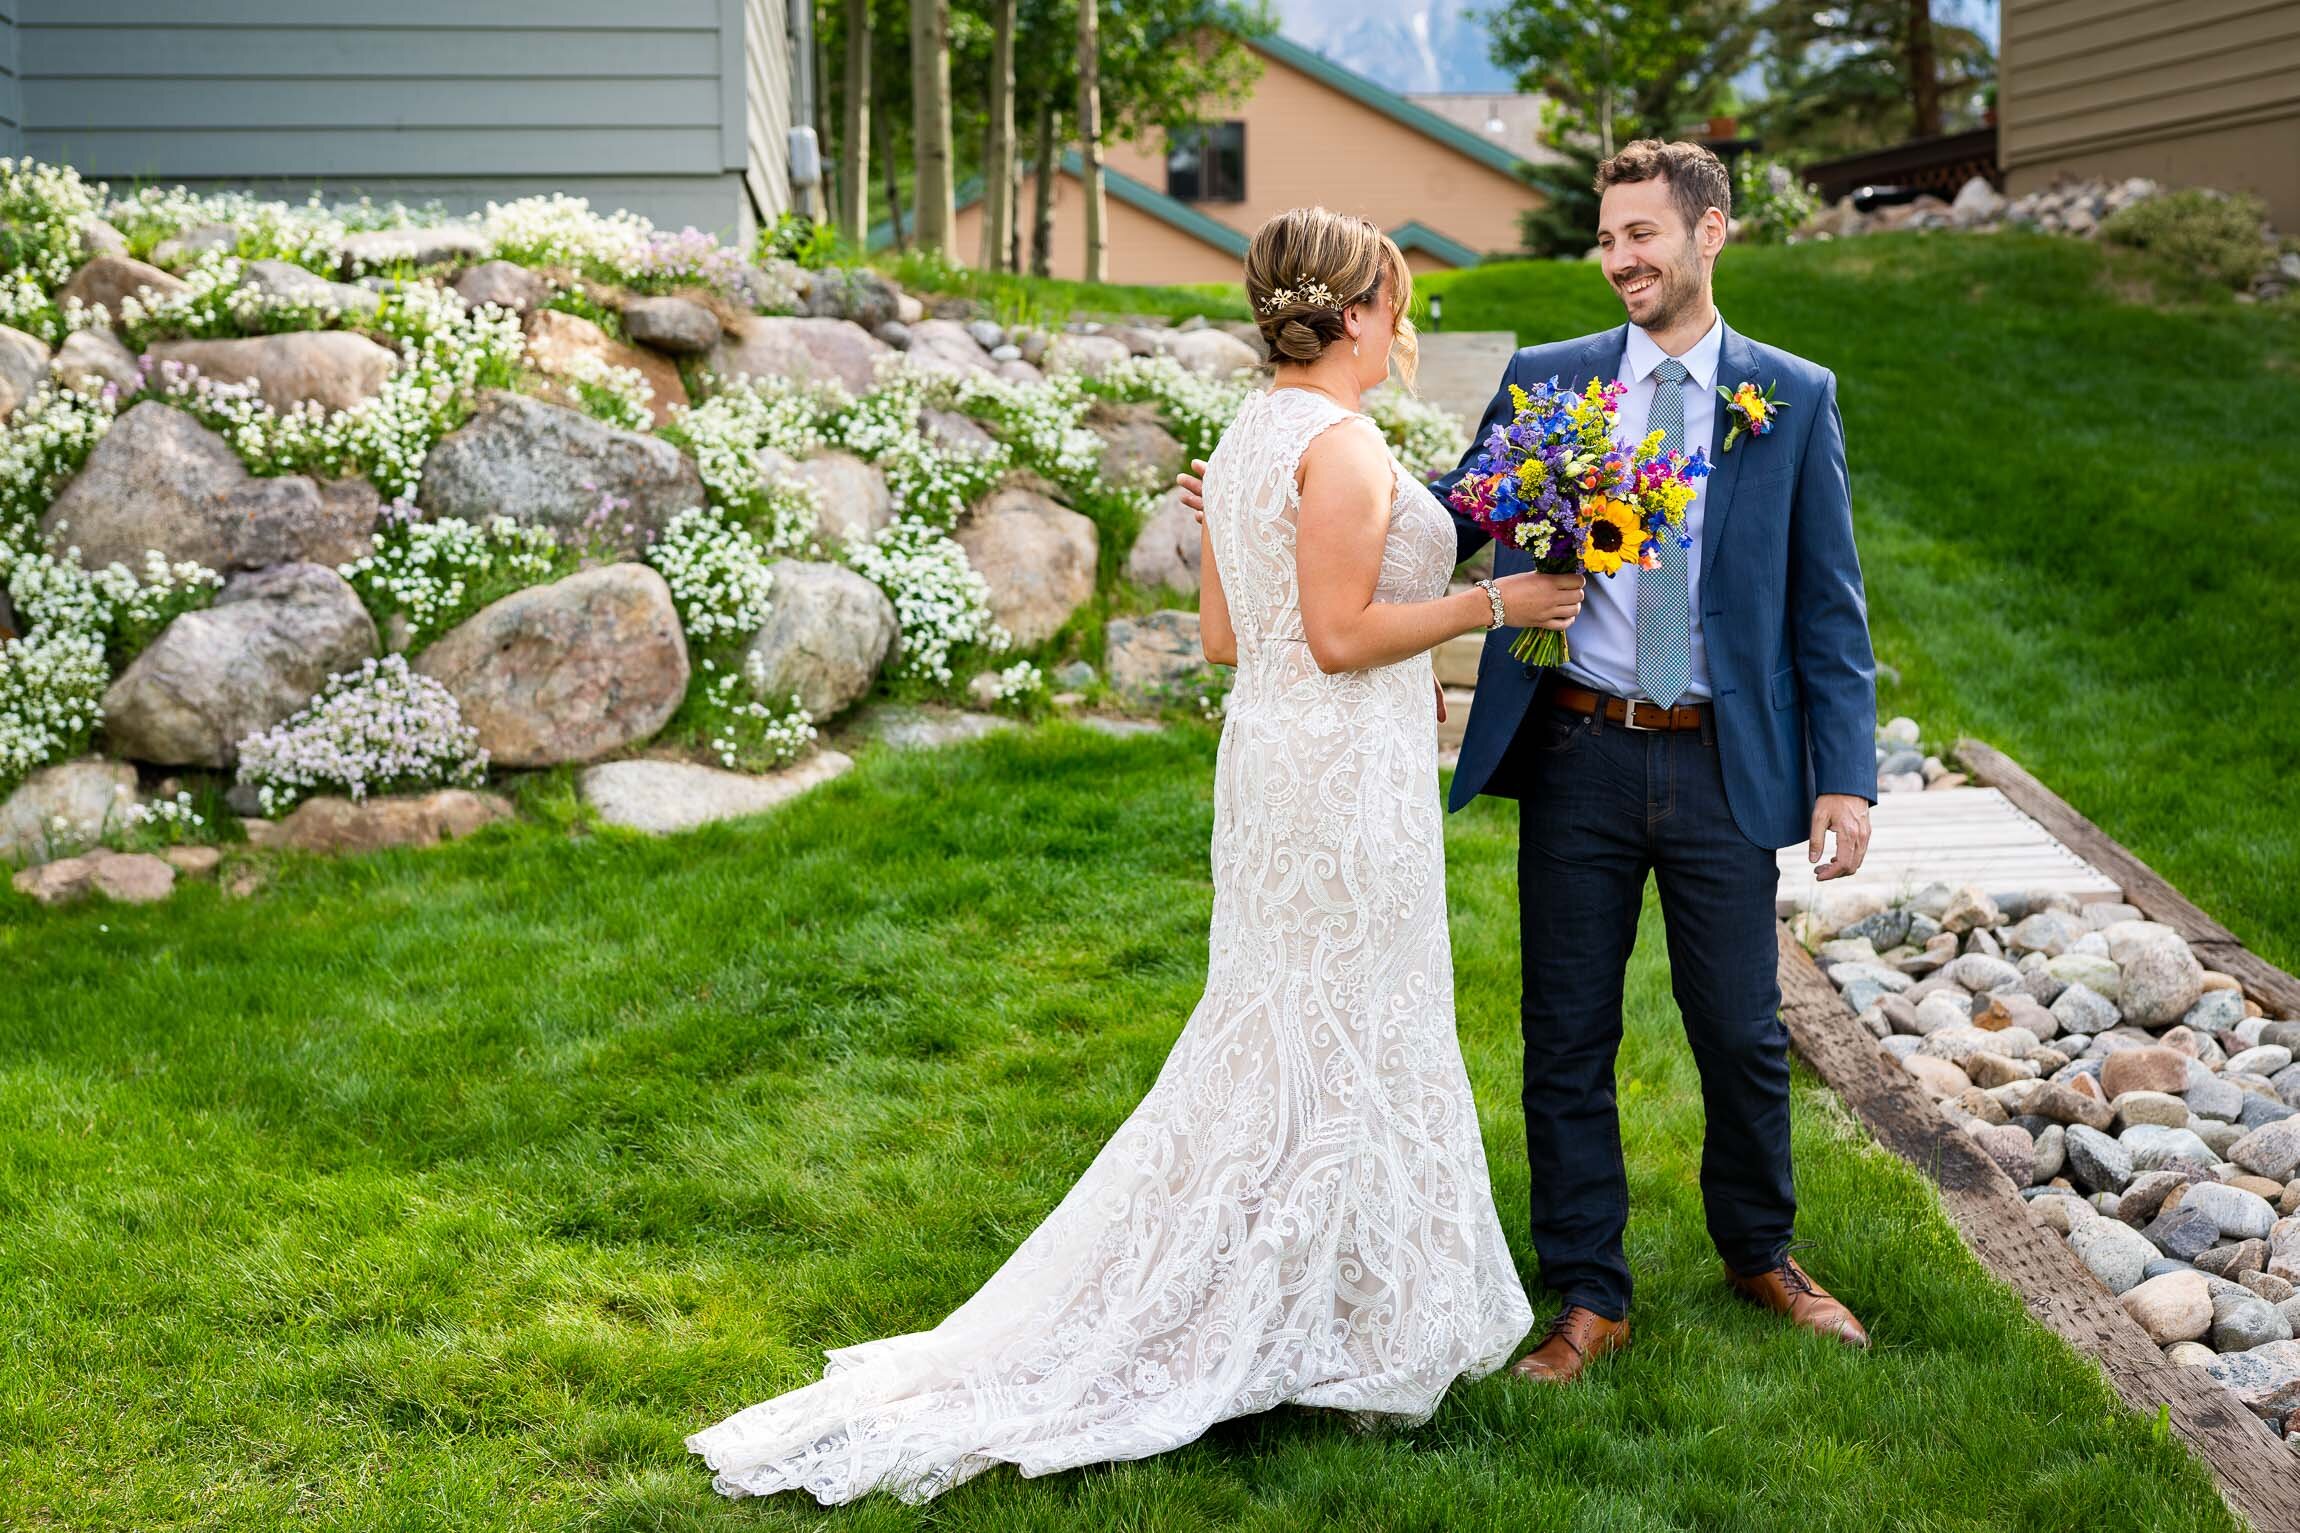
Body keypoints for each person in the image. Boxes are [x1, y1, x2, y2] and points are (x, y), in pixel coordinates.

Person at [687, 207, 1583, 1505]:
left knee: (1304, 1029)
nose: (1404, 331)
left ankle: (1333, 1314)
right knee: (1339, 1028)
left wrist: (1232, 532)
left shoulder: (1249, 438)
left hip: (1286, 768)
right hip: (1334, 781)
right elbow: (1336, 634)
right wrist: (1500, 601)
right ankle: (1334, 1328)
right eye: (1393, 306)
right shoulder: (1332, 441)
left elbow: (1227, 637)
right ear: (1345, 318)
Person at [1179, 139, 1879, 1384]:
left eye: (1641, 236)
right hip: (1577, 751)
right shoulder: (1550, 381)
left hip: (1723, 758)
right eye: (1605, 237)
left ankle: (1760, 1252)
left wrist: (1845, 775)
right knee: (1563, 1031)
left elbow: (1826, 607)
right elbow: (1445, 517)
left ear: (1707, 233)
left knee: (1738, 1028)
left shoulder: (1792, 395)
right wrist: (1262, 504)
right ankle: (1585, 1294)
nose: (1617, 259)